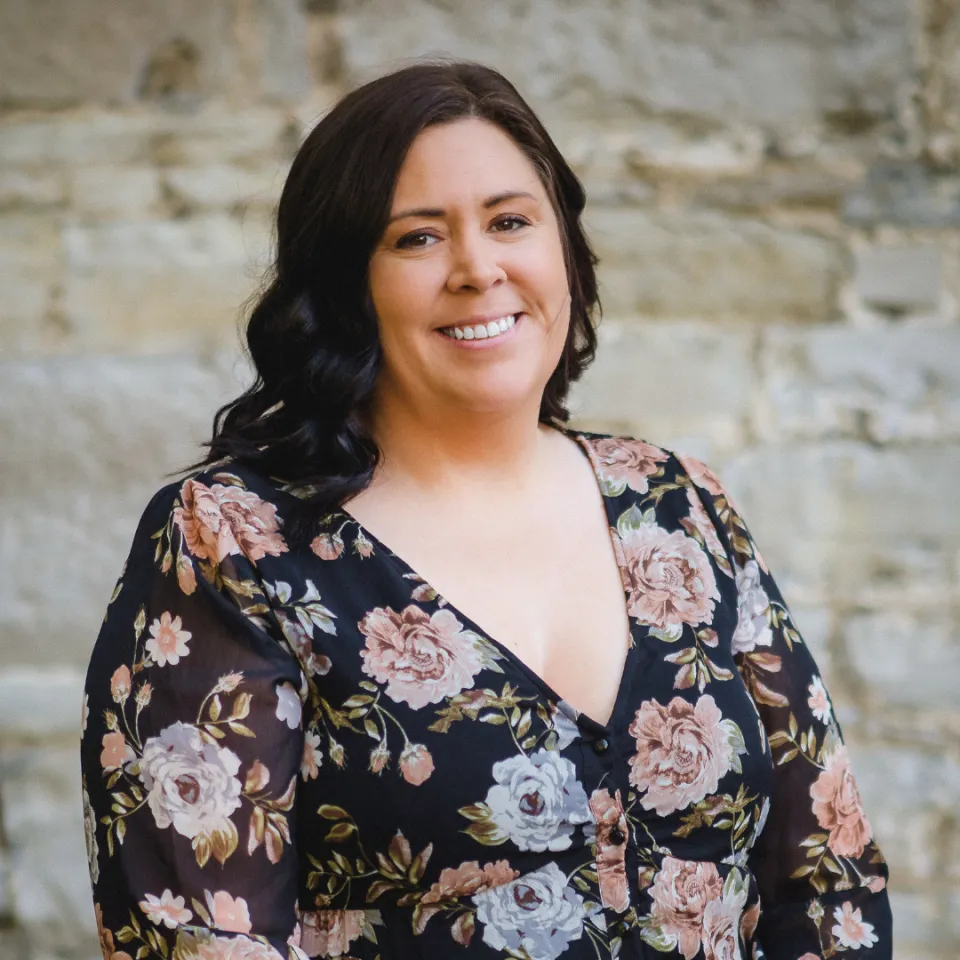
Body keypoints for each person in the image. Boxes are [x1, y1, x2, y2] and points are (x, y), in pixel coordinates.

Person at [80, 61, 892, 960]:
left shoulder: (680, 507)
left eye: (510, 222)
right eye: (418, 239)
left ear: (564, 254)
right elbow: (201, 940)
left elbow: (828, 877)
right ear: (346, 284)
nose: (478, 269)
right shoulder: (233, 545)